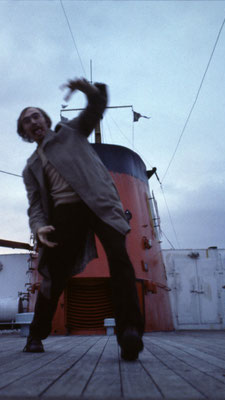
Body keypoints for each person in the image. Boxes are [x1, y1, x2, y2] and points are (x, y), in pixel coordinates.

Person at [17, 78, 144, 361]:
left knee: (119, 260)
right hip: (65, 214)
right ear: (24, 132)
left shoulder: (71, 132)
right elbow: (35, 205)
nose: (33, 121)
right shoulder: (31, 167)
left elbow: (97, 105)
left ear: (46, 119)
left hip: (99, 203)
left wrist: (84, 87)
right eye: (26, 120)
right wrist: (38, 227)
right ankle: (36, 334)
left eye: (36, 115)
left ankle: (129, 333)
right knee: (53, 275)